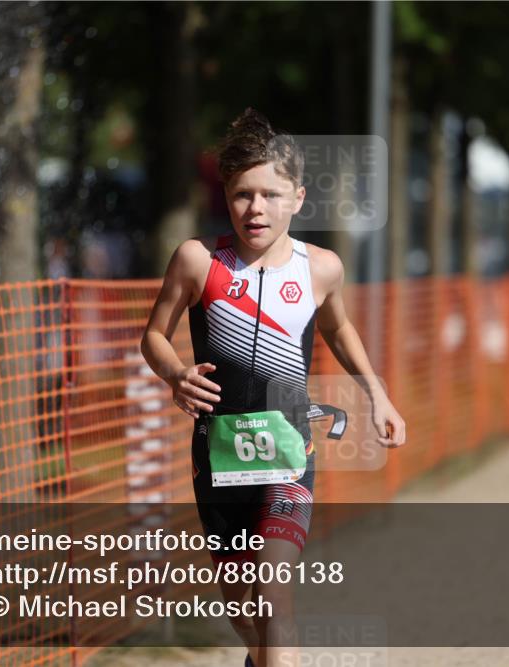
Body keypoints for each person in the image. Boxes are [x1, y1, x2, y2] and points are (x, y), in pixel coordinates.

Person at [141, 108, 406, 666]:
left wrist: (377, 395)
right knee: (244, 609)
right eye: (242, 194)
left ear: (298, 198)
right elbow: (154, 336)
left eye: (270, 195)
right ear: (226, 196)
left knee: (273, 592)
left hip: (289, 453)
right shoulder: (198, 260)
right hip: (218, 456)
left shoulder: (321, 268)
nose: (255, 208)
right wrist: (176, 374)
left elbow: (339, 328)